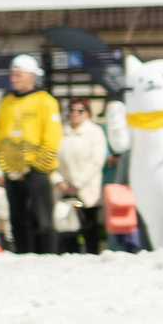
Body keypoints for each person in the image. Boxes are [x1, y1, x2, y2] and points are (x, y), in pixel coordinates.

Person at [0, 53, 62, 255]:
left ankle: (48, 258)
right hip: (12, 170)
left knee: (42, 220)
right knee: (18, 219)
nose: (14, 79)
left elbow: (52, 137)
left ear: (32, 76)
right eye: (12, 75)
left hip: (37, 170)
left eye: (19, 75)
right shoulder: (6, 102)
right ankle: (23, 256)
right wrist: (5, 164)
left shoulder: (45, 101)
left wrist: (38, 166)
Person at [56, 94, 109, 254]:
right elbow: (52, 159)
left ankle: (93, 256)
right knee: (67, 227)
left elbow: (96, 160)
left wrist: (78, 183)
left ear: (87, 113)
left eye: (80, 110)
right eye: (71, 110)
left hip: (86, 190)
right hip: (65, 190)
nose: (75, 114)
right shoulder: (61, 132)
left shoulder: (94, 132)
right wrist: (59, 180)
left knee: (88, 225)